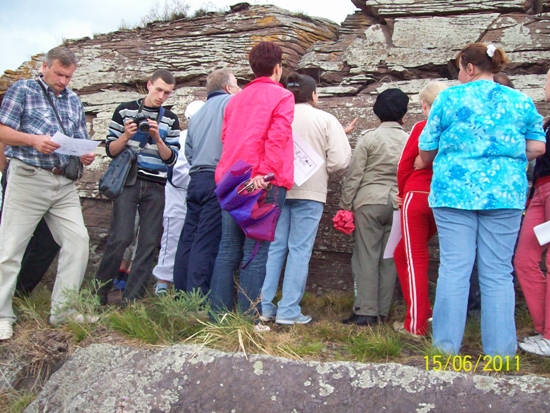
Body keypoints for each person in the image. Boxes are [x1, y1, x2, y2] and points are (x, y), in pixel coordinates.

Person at [418, 43, 546, 357]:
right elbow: (538, 148)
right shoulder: (521, 101)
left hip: (453, 193)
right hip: (504, 195)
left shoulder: (448, 97)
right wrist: (506, 157)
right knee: (498, 273)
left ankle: (445, 351)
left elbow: (426, 149)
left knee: (454, 269)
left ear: (469, 67)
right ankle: (500, 356)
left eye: (460, 68)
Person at [0, 46, 96, 340]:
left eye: (68, 76)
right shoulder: (23, 90)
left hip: (63, 184)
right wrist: (32, 140)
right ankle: (3, 315)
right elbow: (2, 130)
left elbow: (80, 137)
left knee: (78, 241)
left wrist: (85, 154)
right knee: (10, 250)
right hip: (28, 177)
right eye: (59, 74)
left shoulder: (73, 100)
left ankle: (63, 311)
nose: (63, 80)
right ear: (45, 67)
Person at [209, 42, 294, 324]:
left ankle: (217, 317)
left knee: (228, 248)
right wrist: (266, 175)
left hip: (231, 180)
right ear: (278, 67)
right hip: (263, 183)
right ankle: (247, 321)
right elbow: (277, 138)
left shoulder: (235, 100)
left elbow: (226, 138)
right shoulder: (282, 96)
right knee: (256, 252)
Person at [260, 73, 351, 325]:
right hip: (310, 191)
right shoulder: (325, 119)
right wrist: (323, 167)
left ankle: (264, 307)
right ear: (313, 95)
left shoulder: (276, 116)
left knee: (275, 248)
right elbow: (340, 160)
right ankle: (288, 311)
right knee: (299, 250)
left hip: (277, 188)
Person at [94, 69, 180, 305]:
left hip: (156, 185)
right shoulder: (124, 110)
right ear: (149, 84)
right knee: (120, 238)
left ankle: (132, 300)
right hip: (129, 181)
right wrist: (125, 136)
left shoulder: (170, 119)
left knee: (149, 242)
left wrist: (158, 137)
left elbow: (171, 159)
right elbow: (110, 150)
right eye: (159, 89)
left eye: (168, 93)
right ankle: (98, 294)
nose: (162, 96)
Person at [339, 88, 409, 326]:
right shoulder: (410, 140)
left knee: (366, 257)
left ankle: (366, 311)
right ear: (403, 112)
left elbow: (354, 175)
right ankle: (382, 311)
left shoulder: (369, 137)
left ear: (377, 112)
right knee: (388, 258)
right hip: (398, 203)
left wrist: (345, 205)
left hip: (369, 201)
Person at [173, 69, 240, 296]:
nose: (239, 88)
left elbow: (189, 152)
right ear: (228, 88)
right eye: (237, 84)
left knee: (189, 236)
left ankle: (181, 292)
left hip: (196, 178)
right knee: (207, 240)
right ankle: (198, 297)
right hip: (218, 177)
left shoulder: (198, 115)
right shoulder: (232, 104)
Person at [392, 81, 447, 337]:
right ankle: (426, 311)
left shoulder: (422, 127)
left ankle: (416, 325)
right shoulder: (456, 129)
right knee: (403, 254)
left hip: (417, 195)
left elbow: (405, 165)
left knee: (414, 259)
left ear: (425, 105)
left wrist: (402, 194)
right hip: (444, 199)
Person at [514, 68, 550, 356]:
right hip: (539, 191)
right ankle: (544, 331)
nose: (546, 84)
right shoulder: (546, 122)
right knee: (523, 259)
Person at [152, 100, 203, 296]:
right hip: (179, 195)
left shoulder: (211, 137)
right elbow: (177, 171)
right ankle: (163, 282)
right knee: (172, 239)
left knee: (196, 240)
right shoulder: (181, 138)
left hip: (199, 196)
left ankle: (187, 283)